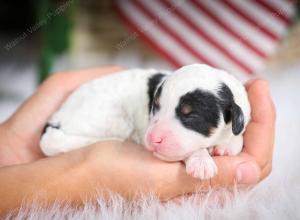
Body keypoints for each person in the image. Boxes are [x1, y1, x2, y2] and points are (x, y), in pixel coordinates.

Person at [0, 66, 275, 215]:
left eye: (187, 117)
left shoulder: (236, 109)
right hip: (85, 115)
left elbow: (235, 139)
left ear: (234, 118)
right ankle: (63, 139)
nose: (154, 134)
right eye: (157, 108)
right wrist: (80, 172)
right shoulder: (161, 91)